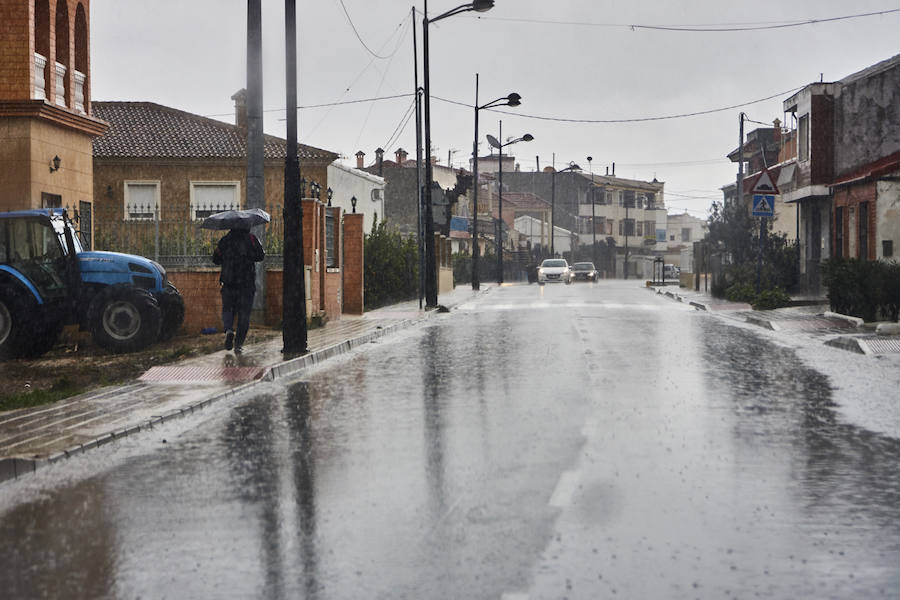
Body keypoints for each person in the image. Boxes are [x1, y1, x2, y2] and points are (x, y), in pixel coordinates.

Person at [212, 227, 264, 354]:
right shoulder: (251, 239)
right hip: (246, 283)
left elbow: (215, 259)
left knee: (227, 309)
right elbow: (260, 256)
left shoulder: (225, 240)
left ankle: (229, 330)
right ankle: (238, 344)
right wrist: (248, 255)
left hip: (229, 282)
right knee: (244, 315)